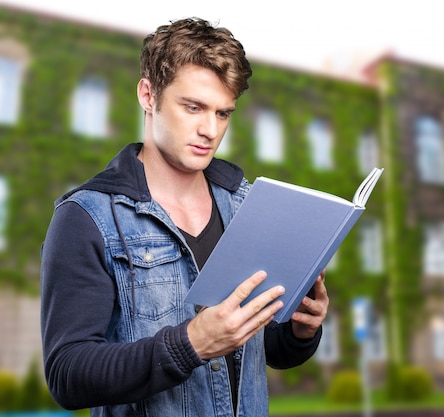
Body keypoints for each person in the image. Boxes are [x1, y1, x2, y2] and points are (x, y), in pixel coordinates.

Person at [40, 17, 328, 417]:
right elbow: (67, 375)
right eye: (193, 107)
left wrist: (300, 331)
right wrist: (190, 344)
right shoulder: (86, 217)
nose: (210, 130)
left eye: (223, 113)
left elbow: (266, 350)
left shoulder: (246, 207)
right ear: (148, 94)